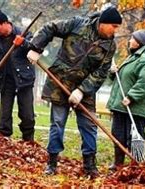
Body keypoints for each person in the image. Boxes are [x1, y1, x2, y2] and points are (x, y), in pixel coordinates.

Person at [25, 6, 122, 177]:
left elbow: (101, 73)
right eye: (114, 26)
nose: (115, 31)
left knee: (89, 126)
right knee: (57, 123)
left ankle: (90, 166)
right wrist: (36, 48)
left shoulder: (110, 46)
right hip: (60, 82)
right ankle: (52, 163)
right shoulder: (78, 24)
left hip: (86, 90)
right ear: (103, 23)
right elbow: (51, 27)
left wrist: (82, 91)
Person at [106, 29, 145, 170]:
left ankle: (136, 167)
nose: (129, 40)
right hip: (121, 106)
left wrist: (131, 96)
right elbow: (123, 79)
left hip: (135, 107)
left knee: (135, 138)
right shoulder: (132, 57)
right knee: (118, 135)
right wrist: (114, 72)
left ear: (139, 42)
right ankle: (118, 164)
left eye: (132, 38)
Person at [0, 9, 36, 141]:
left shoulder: (24, 33)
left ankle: (28, 140)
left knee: (27, 114)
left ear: (6, 23)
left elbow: (35, 48)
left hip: (24, 79)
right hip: (6, 80)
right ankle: (3, 139)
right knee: (4, 114)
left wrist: (23, 42)